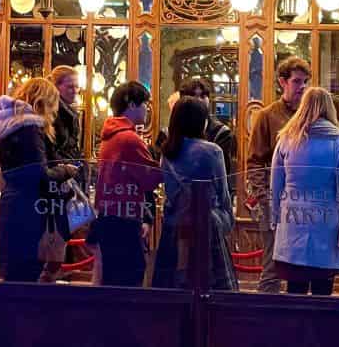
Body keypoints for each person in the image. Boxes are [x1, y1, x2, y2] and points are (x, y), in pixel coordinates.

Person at [0, 78, 78, 282]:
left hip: (11, 203)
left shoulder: (8, 125)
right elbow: (39, 173)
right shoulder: (31, 127)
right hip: (31, 207)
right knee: (28, 274)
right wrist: (65, 170)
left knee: (14, 274)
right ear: (44, 101)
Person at [152, 97, 237, 290]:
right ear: (201, 122)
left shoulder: (168, 151)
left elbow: (171, 192)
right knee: (209, 287)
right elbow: (222, 191)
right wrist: (227, 220)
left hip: (175, 224)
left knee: (173, 287)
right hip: (206, 223)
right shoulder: (212, 151)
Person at [271, 87, 339, 296]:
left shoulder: (286, 140)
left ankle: (293, 329)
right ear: (330, 109)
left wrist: (275, 220)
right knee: (323, 294)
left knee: (295, 291)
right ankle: (320, 330)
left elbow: (276, 186)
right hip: (327, 225)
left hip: (292, 224)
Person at [89, 81, 163, 287]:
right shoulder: (129, 139)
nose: (147, 109)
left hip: (109, 217)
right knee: (129, 278)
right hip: (124, 219)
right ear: (131, 104)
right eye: (144, 104)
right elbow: (150, 178)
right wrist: (166, 161)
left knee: (111, 278)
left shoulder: (110, 135)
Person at [246, 56, 311, 294]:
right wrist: (264, 198)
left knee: (301, 265)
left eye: (305, 82)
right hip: (274, 201)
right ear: (283, 82)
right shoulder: (267, 115)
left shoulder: (310, 117)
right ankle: (266, 319)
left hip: (303, 202)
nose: (302, 87)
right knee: (272, 265)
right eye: (297, 81)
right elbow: (254, 162)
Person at [177, 78, 235, 181]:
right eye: (193, 96)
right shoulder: (168, 133)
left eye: (203, 96)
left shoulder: (221, 132)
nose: (199, 100)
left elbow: (222, 173)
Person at [50, 65, 83, 166]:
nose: (75, 91)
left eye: (77, 86)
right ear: (56, 87)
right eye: (70, 87)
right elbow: (52, 152)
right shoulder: (52, 113)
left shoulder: (70, 112)